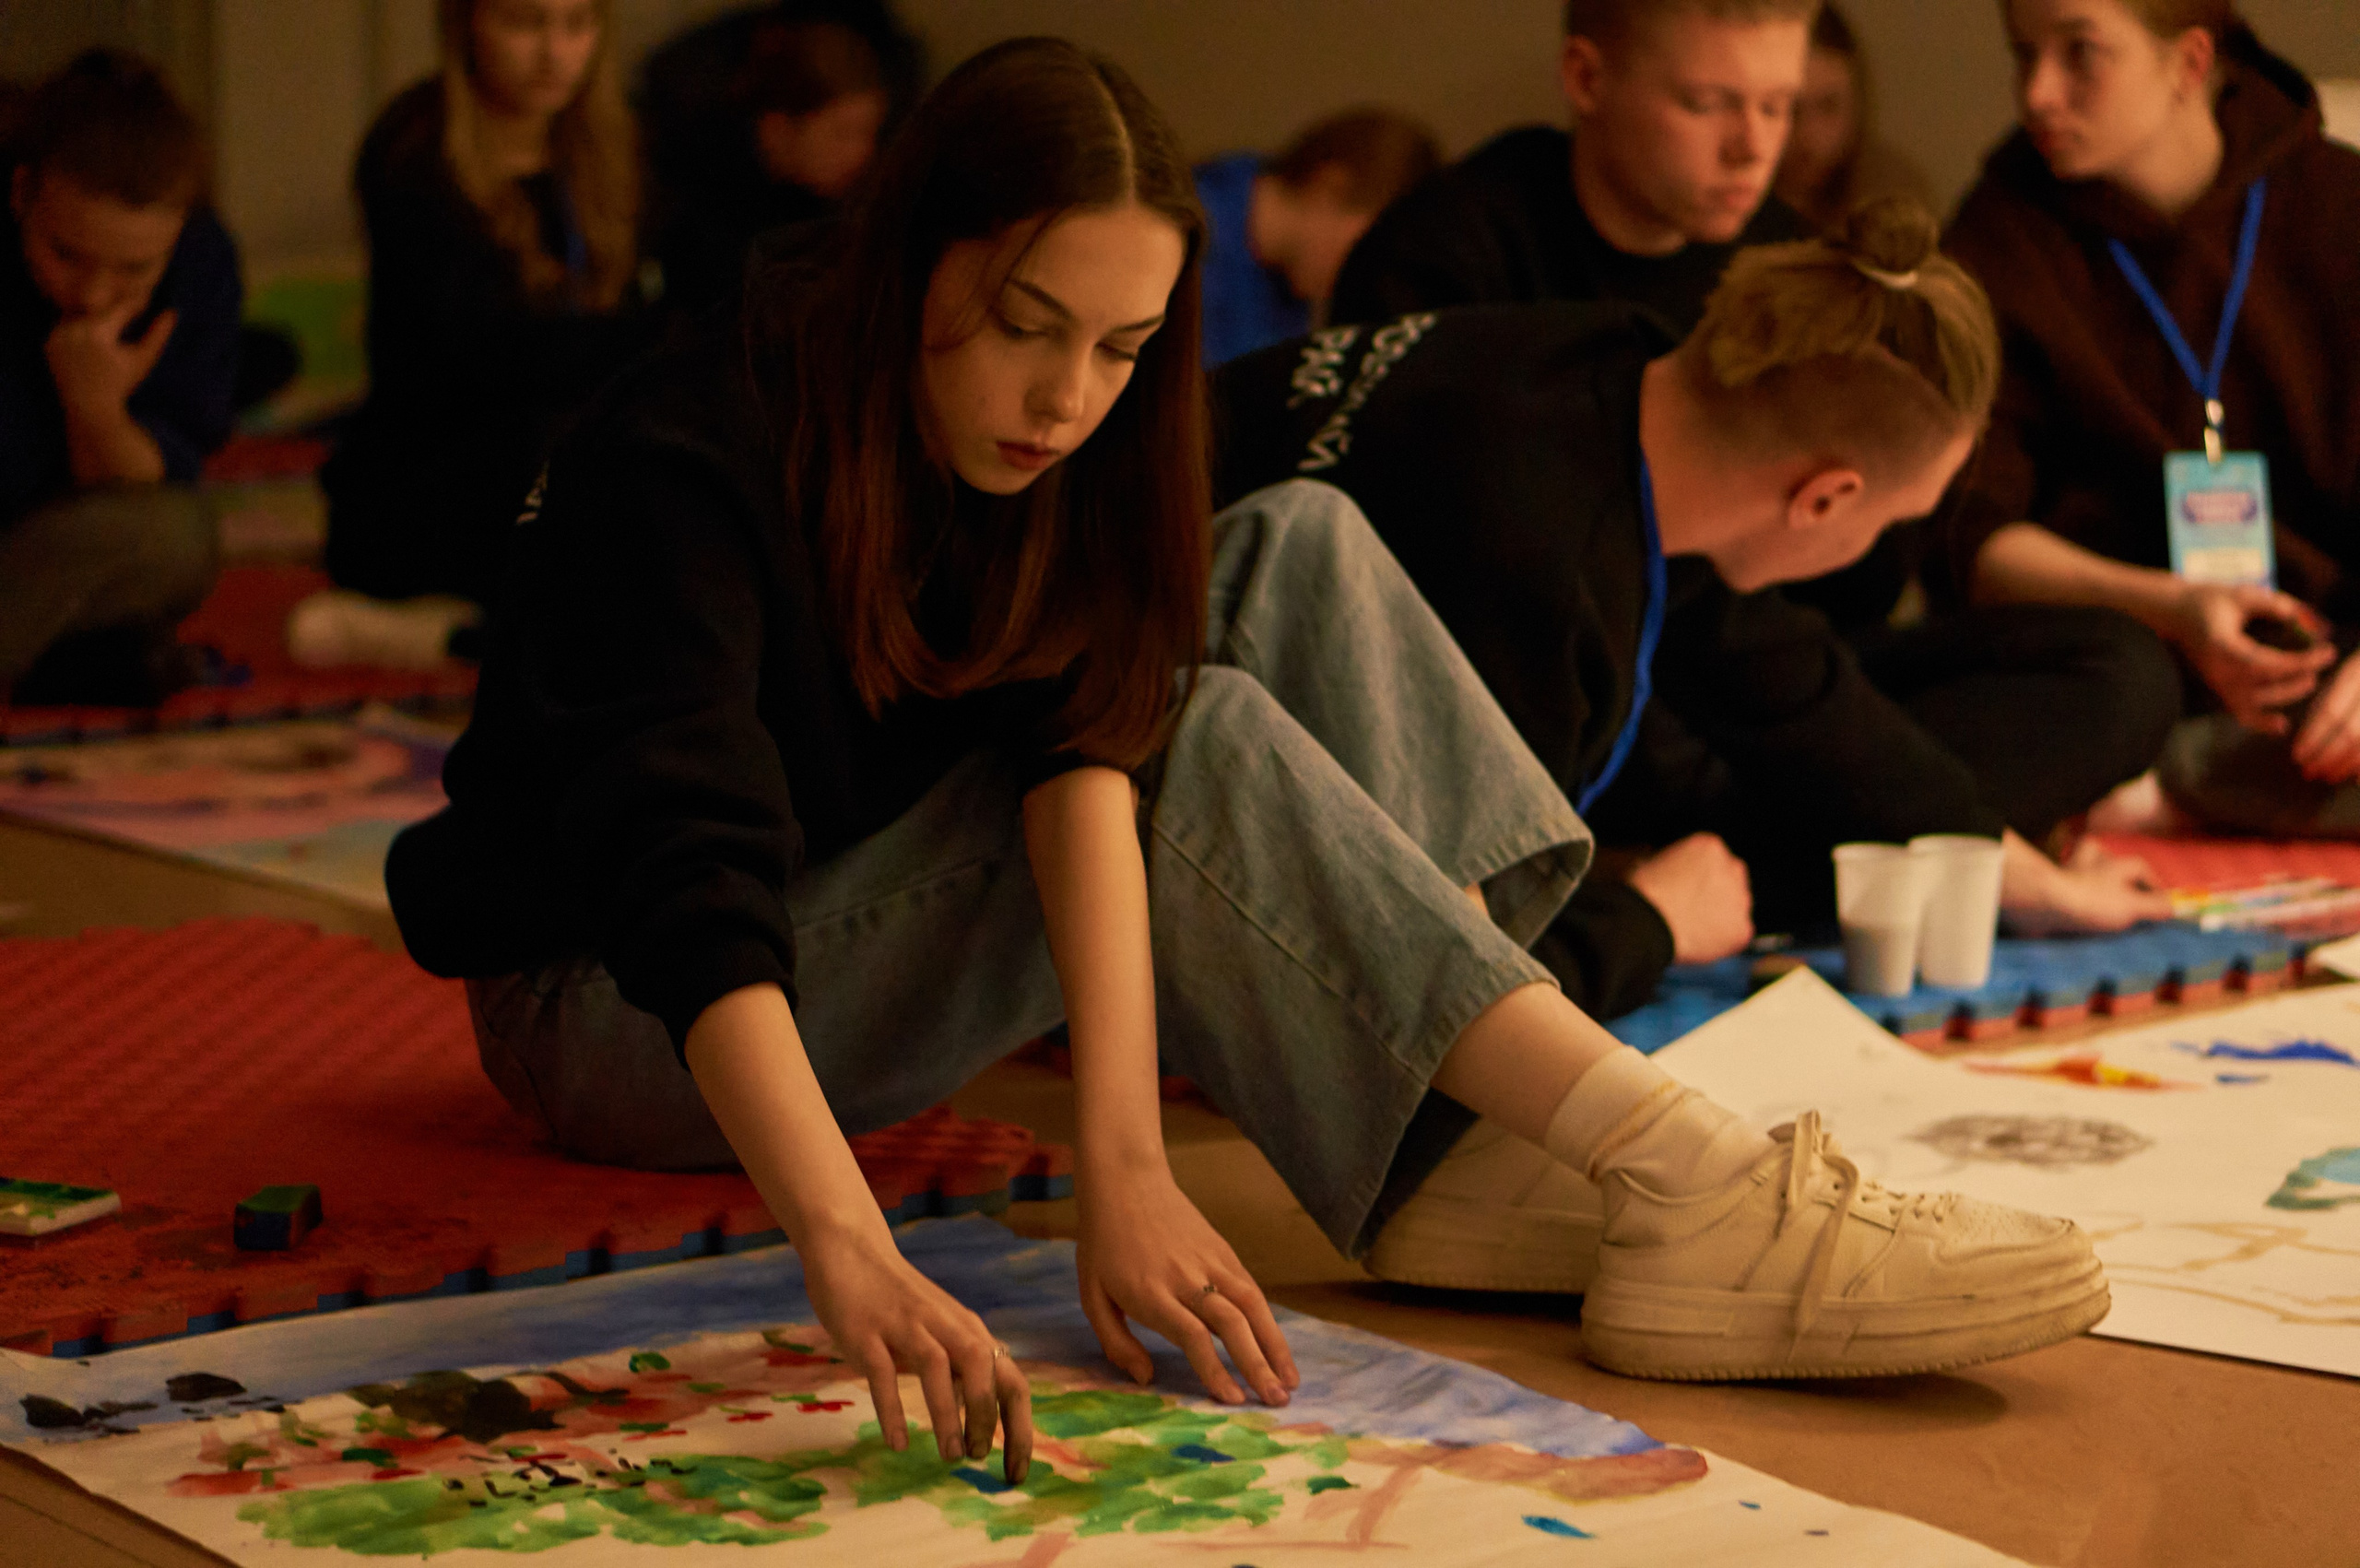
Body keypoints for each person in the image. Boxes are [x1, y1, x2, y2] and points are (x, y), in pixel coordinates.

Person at [389, 41, 2109, 1442]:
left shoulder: (1072, 439)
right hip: (619, 1007)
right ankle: (1678, 1169)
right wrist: (841, 1241)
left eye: (1125, 348)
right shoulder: (694, 440)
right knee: (1199, 743)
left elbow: (1082, 747)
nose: (1070, 398)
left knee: (1296, 543)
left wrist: (1133, 1161)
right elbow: (691, 883)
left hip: (838, 891)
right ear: (916, 256)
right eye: (1024, 327)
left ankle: (1460, 1144)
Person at [1214, 201, 2170, 1291]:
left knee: (2107, 676)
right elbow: (1435, 1007)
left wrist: (2007, 863)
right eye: (1894, 521)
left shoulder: (1614, 367)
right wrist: (1654, 921)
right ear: (1825, 499)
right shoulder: (1526, 563)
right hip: (1162, 837)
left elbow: (1780, 679)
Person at [1943, 1, 2360, 837]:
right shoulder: (2001, 237)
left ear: (2189, 63)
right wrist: (2169, 606)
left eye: (2080, 54)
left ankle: (2187, 792)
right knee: (2091, 697)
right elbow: (1967, 536)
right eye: (2023, 56)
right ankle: (2199, 783)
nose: (2038, 96)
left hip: (2331, 670)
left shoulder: (2337, 205)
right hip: (2126, 675)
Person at [296, 0, 654, 671]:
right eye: (526, 25)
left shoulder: (617, 141)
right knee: (560, 447)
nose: (555, 54)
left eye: (578, 26)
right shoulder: (416, 153)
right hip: (436, 478)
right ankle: (465, 638)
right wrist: (656, 342)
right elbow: (497, 355)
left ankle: (473, 637)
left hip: (568, 451)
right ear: (466, 25)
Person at [1328, 0, 1815, 337]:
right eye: (1705, 104)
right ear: (1586, 79)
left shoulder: (1793, 271)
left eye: (1777, 106)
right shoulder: (1433, 262)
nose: (1753, 148)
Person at [0, 49, 237, 706]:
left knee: (175, 536)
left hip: (58, 547)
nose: (97, 295)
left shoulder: (202, 268)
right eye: (67, 255)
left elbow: (137, 494)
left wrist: (95, 408)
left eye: (133, 270)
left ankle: (63, 657)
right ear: (20, 194)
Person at [647, 18, 890, 318]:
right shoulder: (702, 202)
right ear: (777, 128)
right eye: (842, 133)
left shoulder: (847, 201)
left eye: (869, 133)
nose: (862, 153)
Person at [1195, 108, 1440, 367]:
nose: (1369, 273)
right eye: (1370, 245)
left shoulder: (1289, 300)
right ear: (1330, 188)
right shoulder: (1185, 234)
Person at [1771, 3, 1931, 235]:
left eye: (1828, 105)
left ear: (1857, 100)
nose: (1808, 134)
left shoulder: (1893, 197)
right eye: (1789, 108)